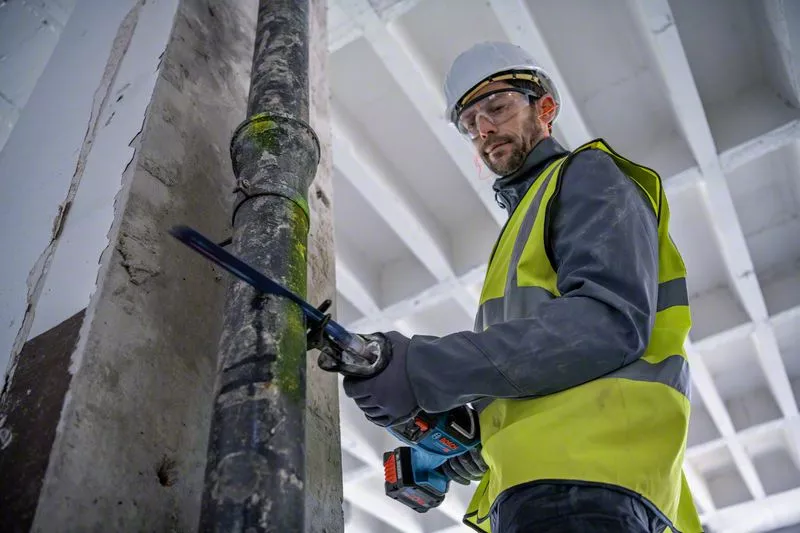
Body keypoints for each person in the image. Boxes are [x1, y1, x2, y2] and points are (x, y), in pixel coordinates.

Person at [324, 42, 702, 533]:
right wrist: (478, 438)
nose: (483, 129)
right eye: (470, 123)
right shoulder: (523, 223)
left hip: (586, 477)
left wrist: (423, 368)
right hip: (551, 483)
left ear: (545, 107)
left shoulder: (585, 174)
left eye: (498, 108)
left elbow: (606, 325)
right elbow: (544, 367)